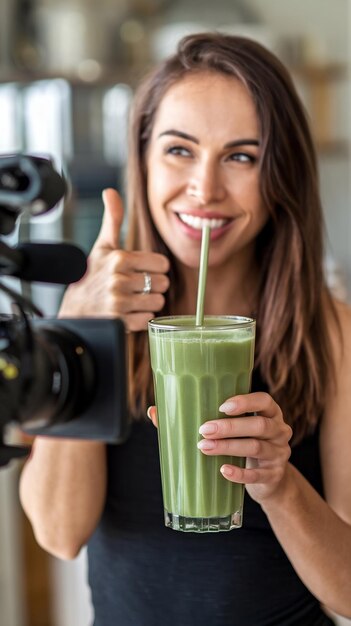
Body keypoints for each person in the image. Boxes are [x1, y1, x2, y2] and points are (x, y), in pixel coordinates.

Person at [19, 33, 351, 626]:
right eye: (179, 150)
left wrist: (279, 486)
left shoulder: (333, 333)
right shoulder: (92, 316)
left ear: (281, 175)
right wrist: (82, 331)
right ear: (143, 158)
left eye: (241, 156)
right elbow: (58, 532)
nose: (205, 189)